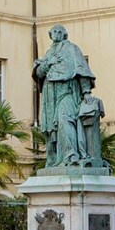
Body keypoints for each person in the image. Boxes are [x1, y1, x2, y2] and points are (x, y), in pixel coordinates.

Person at [32, 25, 98, 168]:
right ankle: (55, 159)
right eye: (54, 31)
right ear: (50, 35)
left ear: (65, 35)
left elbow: (81, 68)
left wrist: (86, 91)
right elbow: (39, 73)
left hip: (67, 91)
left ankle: (71, 155)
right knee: (51, 128)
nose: (57, 34)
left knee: (64, 119)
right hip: (50, 95)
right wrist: (47, 63)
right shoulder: (48, 53)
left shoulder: (72, 49)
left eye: (60, 32)